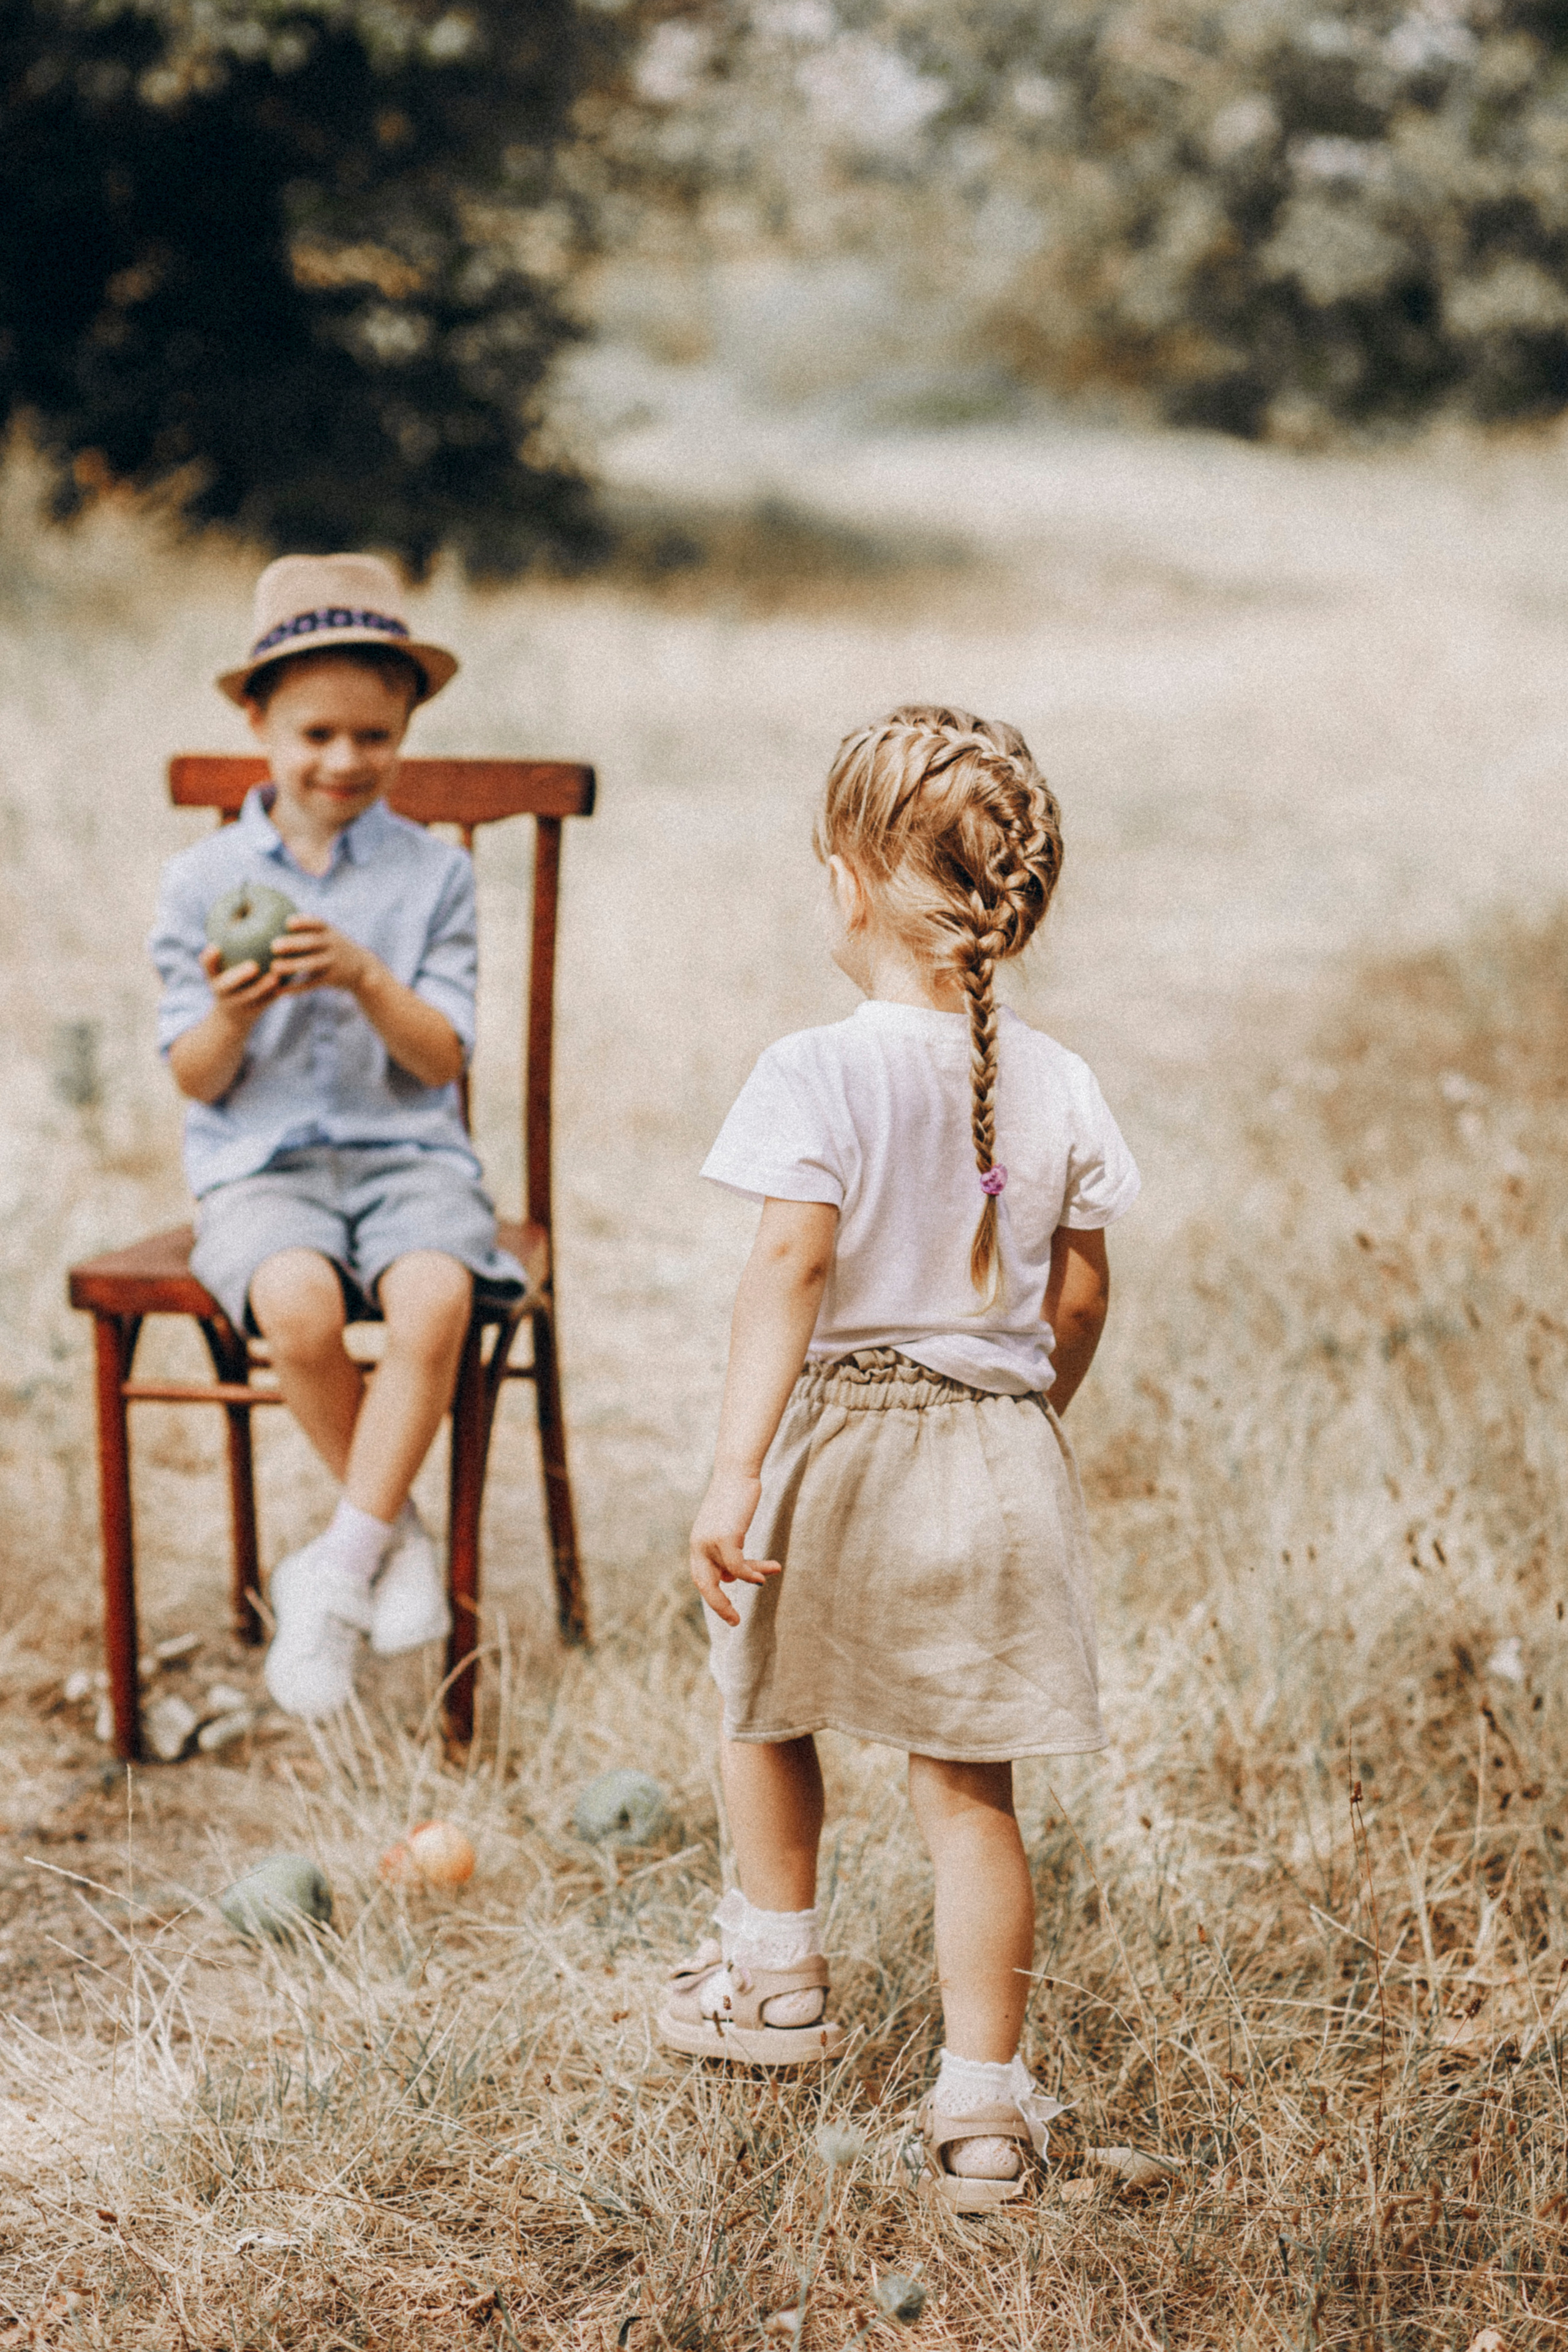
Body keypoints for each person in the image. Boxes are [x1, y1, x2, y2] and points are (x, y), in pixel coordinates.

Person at [656, 706, 1140, 2212]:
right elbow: (1078, 1290)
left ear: (850, 886)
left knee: (765, 1703)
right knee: (965, 1790)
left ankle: (774, 1976)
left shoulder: (814, 1069)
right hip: (1000, 1455)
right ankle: (983, 2116)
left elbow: (788, 1270)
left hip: (844, 1440)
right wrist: (1020, 1409)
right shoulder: (1054, 1078)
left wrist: (735, 1474)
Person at [149, 554, 525, 1719]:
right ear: (257, 722)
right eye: (316, 733)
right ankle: (390, 1536)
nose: (345, 761)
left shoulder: (431, 878)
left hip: (408, 1157)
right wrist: (237, 1007)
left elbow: (444, 1059)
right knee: (299, 1309)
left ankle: (333, 1573)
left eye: (375, 736)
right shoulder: (202, 880)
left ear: (407, 727)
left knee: (433, 1302)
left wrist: (363, 974)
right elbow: (192, 1077)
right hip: (261, 1168)